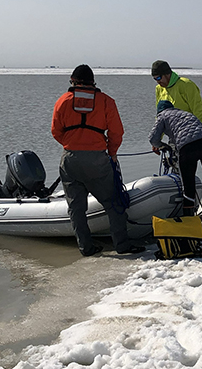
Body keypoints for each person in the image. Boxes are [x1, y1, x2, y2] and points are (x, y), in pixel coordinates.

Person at [51, 64, 145, 257]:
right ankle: (122, 245)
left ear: (73, 82)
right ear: (93, 82)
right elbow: (117, 132)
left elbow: (55, 131)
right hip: (98, 159)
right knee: (113, 203)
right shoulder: (106, 101)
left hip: (70, 160)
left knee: (76, 208)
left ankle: (86, 247)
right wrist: (111, 152)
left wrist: (72, 144)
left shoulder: (62, 101)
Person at [148, 100, 202, 240]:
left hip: (187, 147)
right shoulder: (185, 113)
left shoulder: (162, 116)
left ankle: (189, 231)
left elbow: (153, 138)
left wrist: (163, 146)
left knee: (188, 190)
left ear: (159, 111)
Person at [151, 60, 202, 126]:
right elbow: (160, 116)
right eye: (155, 79)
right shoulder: (159, 89)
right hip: (173, 132)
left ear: (167, 74)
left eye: (159, 78)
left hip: (189, 129)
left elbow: (198, 110)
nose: (158, 81)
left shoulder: (186, 85)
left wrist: (200, 132)